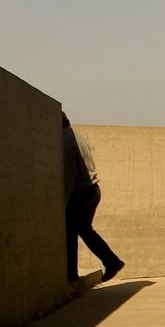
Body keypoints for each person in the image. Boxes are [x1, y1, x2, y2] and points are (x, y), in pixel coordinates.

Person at [61, 114, 123, 283]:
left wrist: (62, 202)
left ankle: (71, 274)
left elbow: (69, 174)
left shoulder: (66, 141)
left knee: (71, 231)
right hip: (92, 190)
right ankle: (112, 261)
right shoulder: (77, 136)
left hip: (81, 192)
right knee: (84, 229)